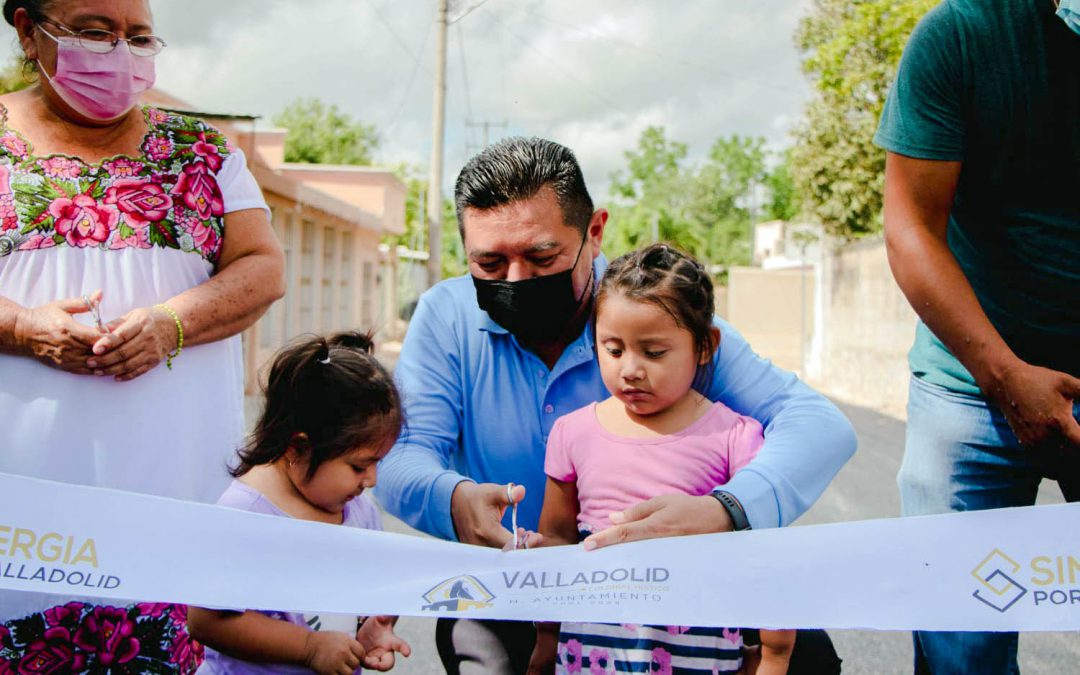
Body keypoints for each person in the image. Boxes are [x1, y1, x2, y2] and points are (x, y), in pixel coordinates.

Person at [375, 137, 855, 674]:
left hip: (684, 592)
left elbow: (817, 425)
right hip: (516, 591)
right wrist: (454, 499)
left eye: (541, 256)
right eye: (489, 262)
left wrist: (727, 511)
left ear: (595, 233)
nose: (516, 280)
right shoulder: (445, 318)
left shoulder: (656, 315)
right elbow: (398, 456)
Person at [0, 0, 284, 669]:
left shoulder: (204, 152)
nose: (119, 55)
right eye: (94, 33)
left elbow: (263, 268)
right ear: (25, 29)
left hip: (173, 534)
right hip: (19, 537)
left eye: (138, 36)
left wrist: (171, 323)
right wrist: (21, 325)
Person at [874, 0, 1079, 672]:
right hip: (971, 391)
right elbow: (911, 228)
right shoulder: (961, 36)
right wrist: (1005, 375)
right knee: (960, 645)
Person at [532, 243, 795, 675]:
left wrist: (775, 653)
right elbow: (556, 543)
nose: (630, 369)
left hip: (700, 657)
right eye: (613, 350)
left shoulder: (734, 436)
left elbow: (765, 553)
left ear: (705, 346)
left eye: (653, 353)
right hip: (590, 656)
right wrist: (545, 640)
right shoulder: (572, 433)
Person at [188, 332, 411, 675]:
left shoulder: (359, 511)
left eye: (377, 463)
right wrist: (309, 648)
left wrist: (373, 626)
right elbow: (207, 621)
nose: (371, 481)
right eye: (358, 466)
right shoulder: (244, 514)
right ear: (298, 447)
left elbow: (367, 589)